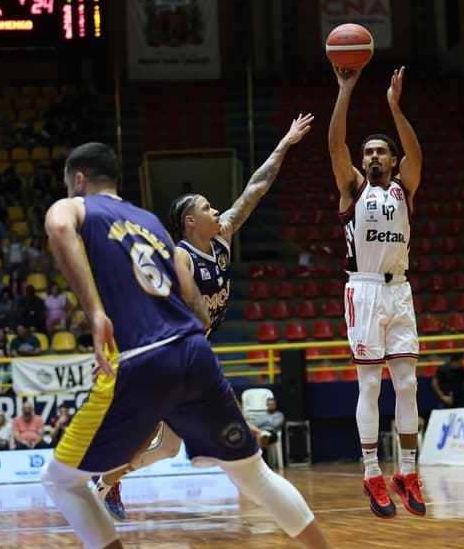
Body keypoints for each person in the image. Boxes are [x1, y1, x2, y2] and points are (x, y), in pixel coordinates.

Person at [40, 142, 329, 548]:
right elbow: (199, 311)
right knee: (254, 476)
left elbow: (57, 226)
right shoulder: (152, 224)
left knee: (59, 481)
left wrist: (96, 314)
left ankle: (107, 483)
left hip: (146, 357)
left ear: (80, 179)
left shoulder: (78, 207)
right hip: (195, 351)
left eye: (69, 186)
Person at [91, 113, 314, 520]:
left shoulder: (223, 236)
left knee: (168, 447)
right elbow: (155, 305)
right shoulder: (178, 256)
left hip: (193, 351)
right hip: (172, 354)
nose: (217, 211)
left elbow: (255, 190)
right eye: (208, 207)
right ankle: (248, 455)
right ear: (190, 221)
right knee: (151, 434)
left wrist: (283, 144)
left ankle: (104, 483)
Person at [329, 64, 425, 519]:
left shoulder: (405, 188)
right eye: (367, 152)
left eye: (379, 152)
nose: (371, 157)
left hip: (400, 290)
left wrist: (394, 106)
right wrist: (345, 90)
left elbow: (416, 153)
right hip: (364, 290)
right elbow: (335, 144)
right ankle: (371, 472)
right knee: (370, 385)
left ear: (390, 160)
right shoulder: (352, 188)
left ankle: (407, 470)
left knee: (407, 384)